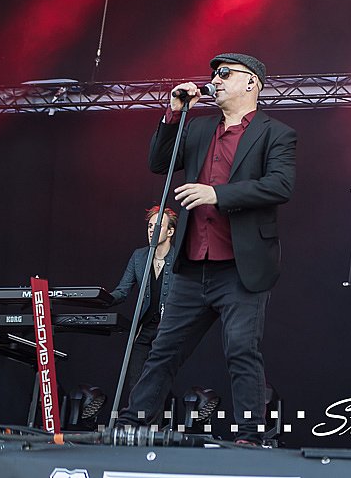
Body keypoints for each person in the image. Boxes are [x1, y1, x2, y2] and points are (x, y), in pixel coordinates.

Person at [118, 52, 297, 444]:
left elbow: (280, 185)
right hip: (193, 263)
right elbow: (158, 162)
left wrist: (217, 194)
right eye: (214, 74)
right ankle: (134, 422)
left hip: (241, 267)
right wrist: (173, 113)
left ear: (251, 83)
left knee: (242, 351)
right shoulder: (198, 128)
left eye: (225, 74)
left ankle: (250, 435)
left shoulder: (276, 133)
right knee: (164, 348)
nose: (215, 80)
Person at [110, 205, 178, 403]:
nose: (151, 230)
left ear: (170, 232)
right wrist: (101, 299)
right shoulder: (139, 257)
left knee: (158, 383)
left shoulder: (178, 259)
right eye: (149, 226)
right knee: (136, 383)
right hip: (143, 330)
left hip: (167, 331)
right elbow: (122, 291)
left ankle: (160, 420)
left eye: (157, 226)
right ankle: (139, 421)